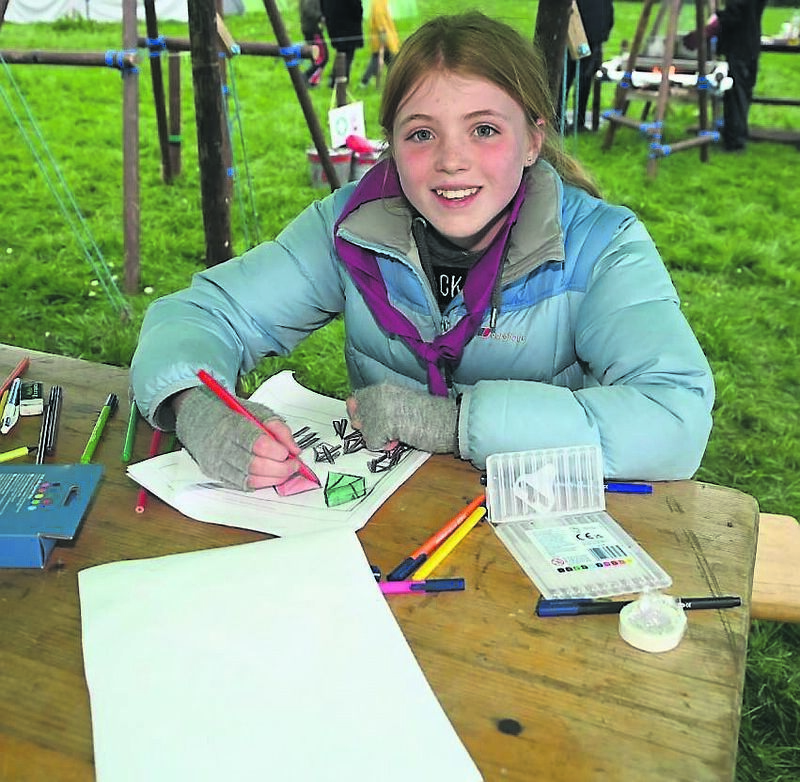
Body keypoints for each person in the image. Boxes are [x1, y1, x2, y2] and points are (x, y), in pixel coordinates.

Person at [131, 12, 714, 493]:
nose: (451, 160)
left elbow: (675, 419)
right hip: (387, 524)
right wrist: (195, 405)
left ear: (534, 139)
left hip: (545, 527)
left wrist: (457, 422)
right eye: (421, 133)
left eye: (484, 129)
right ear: (391, 146)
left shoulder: (602, 246)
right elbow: (201, 314)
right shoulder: (349, 226)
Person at [684, 0, 767, 151]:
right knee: (740, 94)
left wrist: (707, 31)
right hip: (750, 45)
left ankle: (735, 142)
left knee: (737, 94)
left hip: (739, 47)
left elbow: (734, 15)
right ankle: (736, 134)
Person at [558, 0, 614, 132]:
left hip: (579, 27)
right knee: (578, 78)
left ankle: (565, 120)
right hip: (582, 28)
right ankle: (571, 121)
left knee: (568, 78)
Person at [320, 0, 363, 86]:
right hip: (348, 24)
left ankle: (334, 78)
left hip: (333, 22)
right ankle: (340, 81)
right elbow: (355, 6)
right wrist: (358, 16)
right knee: (347, 54)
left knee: (341, 51)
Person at [359, 0, 399, 87]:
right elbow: (379, 16)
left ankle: (397, 80)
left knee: (387, 59)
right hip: (382, 35)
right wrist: (382, 31)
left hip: (383, 34)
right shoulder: (379, 1)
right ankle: (364, 82)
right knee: (379, 58)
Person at [299, 0, 329, 88]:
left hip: (309, 28)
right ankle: (305, 76)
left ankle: (312, 81)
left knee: (316, 57)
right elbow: (308, 10)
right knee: (322, 57)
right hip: (312, 29)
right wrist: (321, 17)